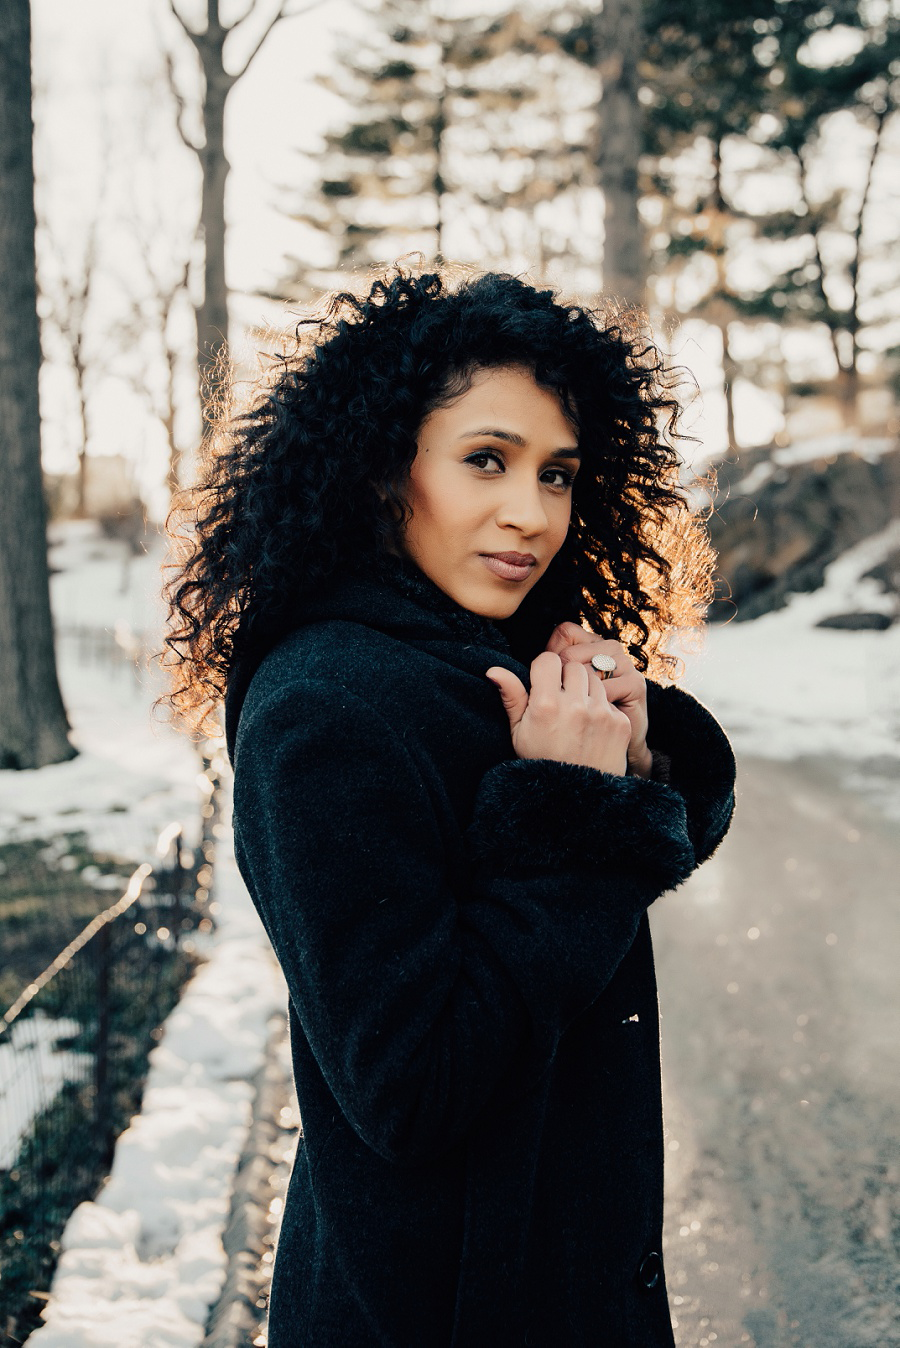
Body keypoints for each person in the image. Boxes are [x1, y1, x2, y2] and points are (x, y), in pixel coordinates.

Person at [161, 265, 736, 1347]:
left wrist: (640, 755)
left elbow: (634, 862)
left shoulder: (484, 651)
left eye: (558, 474)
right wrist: (568, 810)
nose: (531, 513)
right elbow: (412, 1087)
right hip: (434, 1309)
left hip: (561, 1280)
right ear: (386, 470)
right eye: (486, 460)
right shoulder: (326, 707)